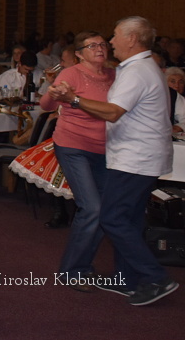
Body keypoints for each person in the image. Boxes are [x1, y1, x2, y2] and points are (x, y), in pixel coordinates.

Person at [49, 16, 177, 306]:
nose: (111, 42)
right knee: (129, 218)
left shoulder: (137, 71)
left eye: (115, 35)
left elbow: (112, 112)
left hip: (135, 158)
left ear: (131, 39)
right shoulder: (142, 67)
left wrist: (74, 99)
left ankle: (155, 276)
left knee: (113, 218)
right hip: (140, 156)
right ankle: (126, 279)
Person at [38, 32, 115, 288]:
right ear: (80, 54)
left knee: (104, 210)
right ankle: (73, 271)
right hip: (73, 145)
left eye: (102, 44)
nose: (99, 48)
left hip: (105, 149)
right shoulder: (71, 74)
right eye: (92, 46)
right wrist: (53, 93)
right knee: (92, 207)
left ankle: (83, 265)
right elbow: (46, 105)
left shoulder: (114, 75)